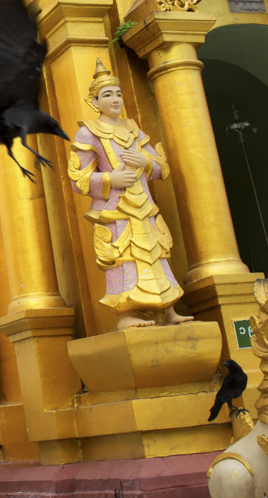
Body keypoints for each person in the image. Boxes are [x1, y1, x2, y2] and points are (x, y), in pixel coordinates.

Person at [67, 59, 193, 329]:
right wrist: (111, 178)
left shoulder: (133, 129)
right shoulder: (88, 133)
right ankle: (126, 314)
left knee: (157, 254)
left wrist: (144, 161)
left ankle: (169, 309)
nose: (115, 99)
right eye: (107, 95)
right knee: (123, 260)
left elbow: (161, 167)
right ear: (95, 102)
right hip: (116, 209)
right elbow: (78, 179)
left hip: (145, 206)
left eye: (118, 94)